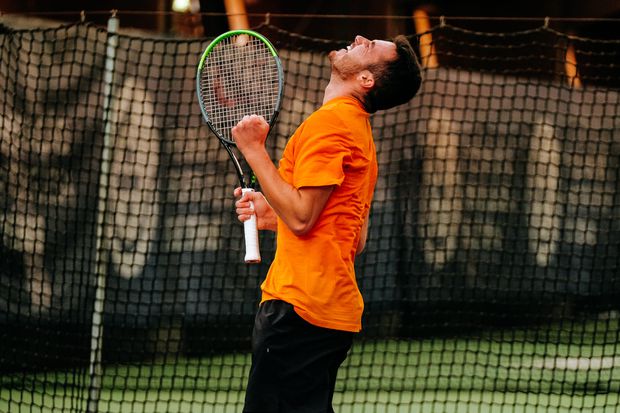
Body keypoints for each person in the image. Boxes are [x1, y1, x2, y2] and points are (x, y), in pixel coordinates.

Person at [232, 34, 422, 413]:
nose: (359, 38)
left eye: (369, 46)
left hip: (301, 309)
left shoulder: (332, 124)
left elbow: (302, 217)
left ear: (366, 80)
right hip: (324, 310)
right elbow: (353, 235)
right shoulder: (355, 129)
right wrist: (273, 215)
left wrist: (253, 150)